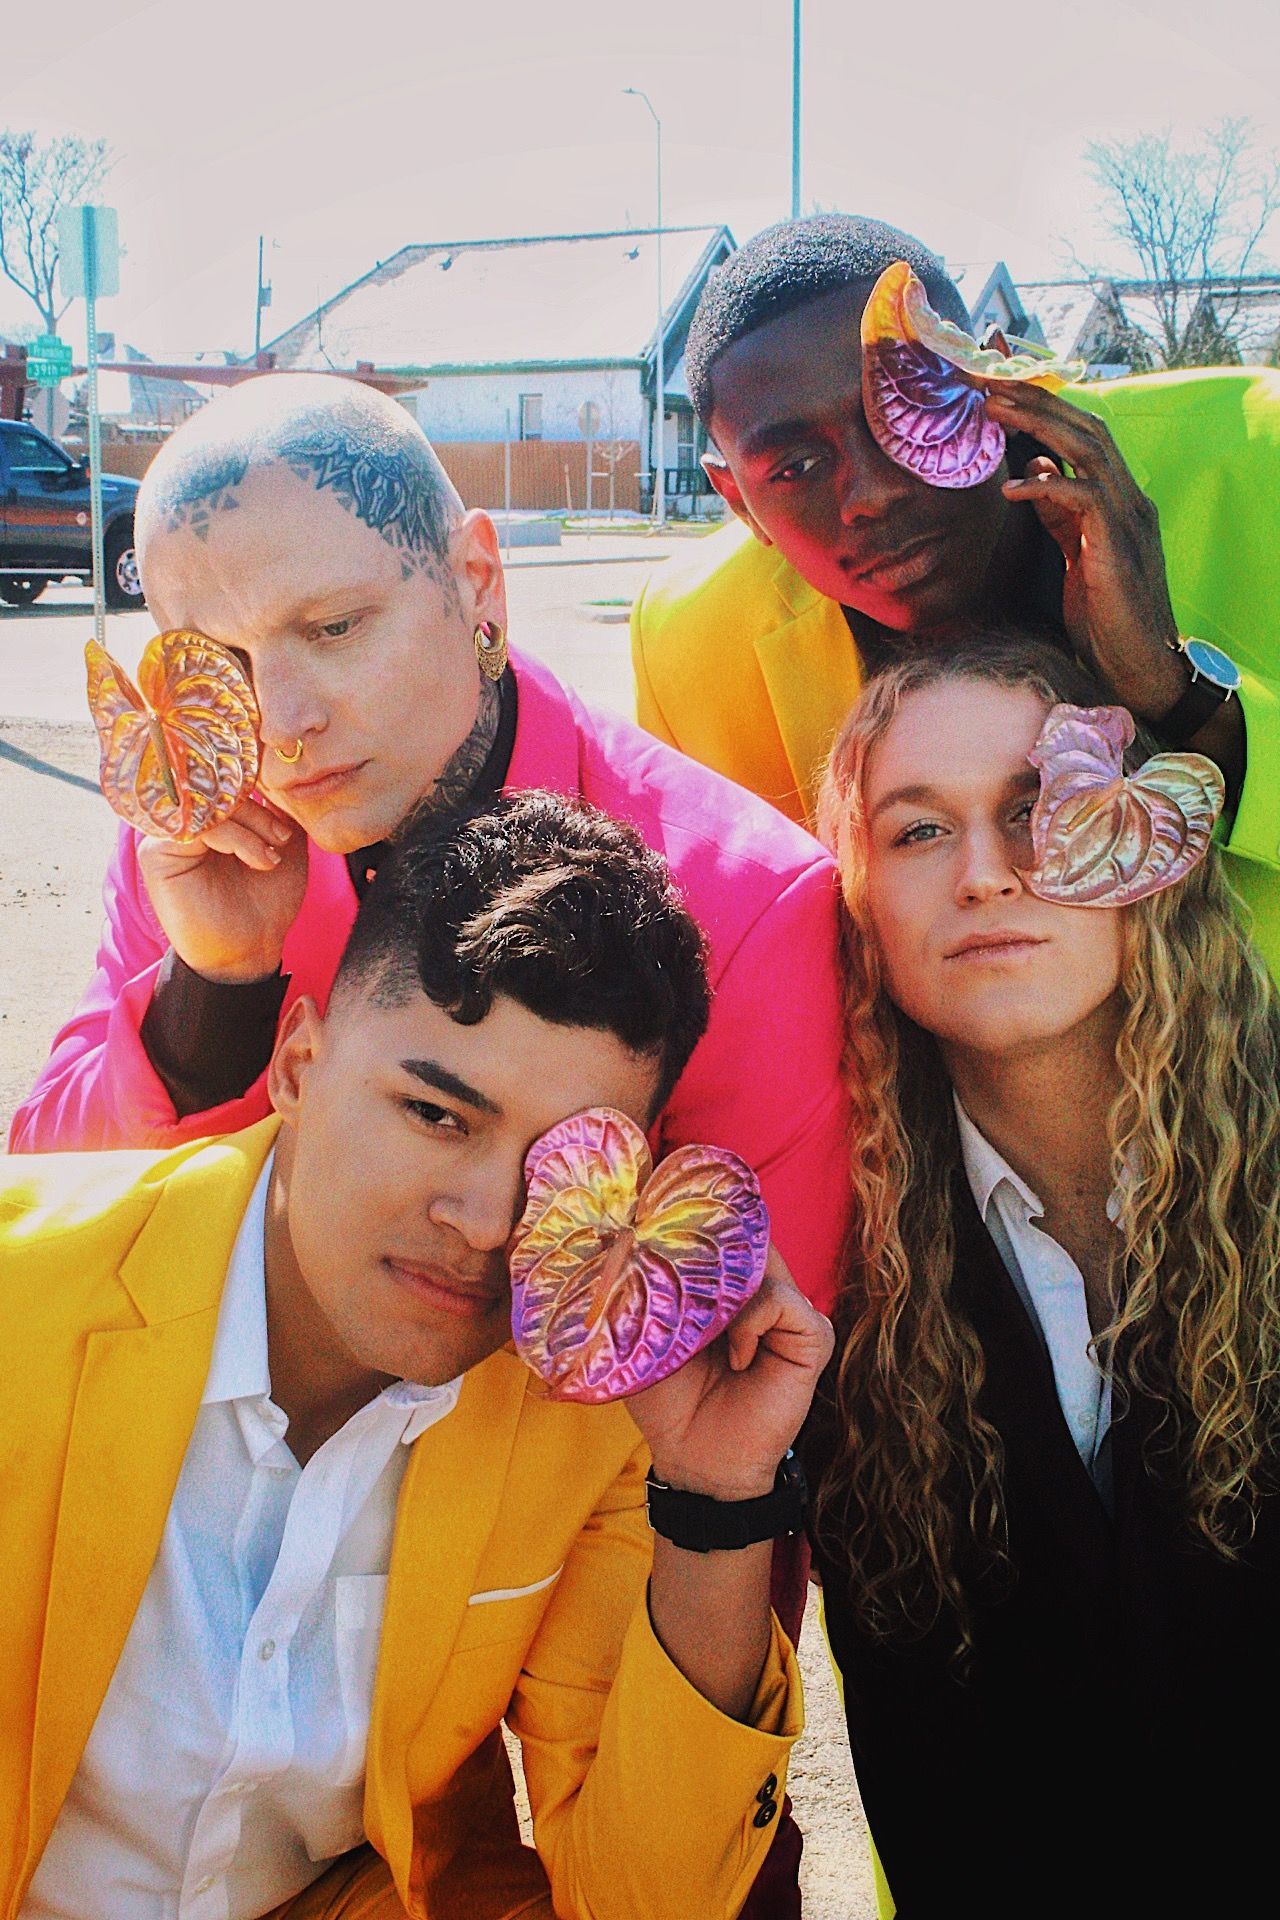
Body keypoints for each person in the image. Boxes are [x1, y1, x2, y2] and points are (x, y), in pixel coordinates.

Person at [11, 373, 841, 1917]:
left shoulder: (745, 899)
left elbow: (709, 1371)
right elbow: (58, 1223)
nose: (284, 720)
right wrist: (214, 987)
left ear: (474, 581)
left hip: (523, 1585)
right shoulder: (215, 841)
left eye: (333, 630)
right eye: (224, 664)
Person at [803, 632, 1280, 1918]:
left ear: (1143, 844)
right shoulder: (826, 1277)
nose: (986, 875)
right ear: (853, 901)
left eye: (1035, 808)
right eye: (914, 832)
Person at [631, 212, 1280, 972]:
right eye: (795, 467)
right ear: (739, 503)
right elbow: (724, 969)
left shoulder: (1255, 456)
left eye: (907, 411)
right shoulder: (690, 637)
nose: (869, 494)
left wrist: (1180, 696)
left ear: (991, 371)